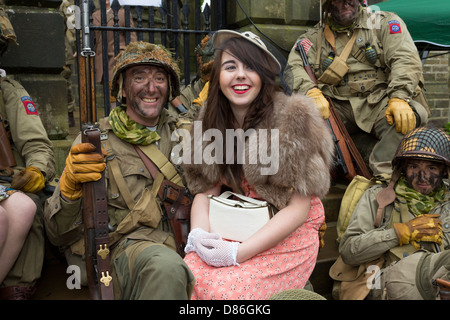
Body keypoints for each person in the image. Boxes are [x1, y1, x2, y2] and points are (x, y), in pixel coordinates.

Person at [182, 30, 334, 300]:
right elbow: (205, 191)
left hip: (287, 231)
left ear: (264, 76)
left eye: (250, 67)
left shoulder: (294, 119)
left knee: (225, 292)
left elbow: (298, 209)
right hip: (237, 222)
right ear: (218, 76)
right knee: (190, 277)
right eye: (231, 67)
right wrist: (197, 237)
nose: (240, 75)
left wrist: (236, 254)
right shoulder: (209, 119)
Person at [44, 41, 195, 299]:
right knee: (166, 267)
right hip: (129, 252)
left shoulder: (189, 134)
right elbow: (58, 234)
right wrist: (70, 190)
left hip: (188, 244)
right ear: (122, 90)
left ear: (169, 89)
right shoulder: (93, 143)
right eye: (139, 77)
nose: (151, 87)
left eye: (160, 78)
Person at [284, 0, 429, 176]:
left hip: (378, 102)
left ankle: (384, 177)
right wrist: (310, 91)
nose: (346, 3)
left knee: (410, 115)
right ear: (328, 4)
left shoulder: (385, 23)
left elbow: (405, 59)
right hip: (336, 108)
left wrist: (399, 97)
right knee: (297, 121)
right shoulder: (313, 37)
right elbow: (293, 68)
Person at [331, 127, 450, 300]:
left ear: (444, 171)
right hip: (385, 281)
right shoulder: (378, 196)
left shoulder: (447, 199)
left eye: (432, 168)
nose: (423, 177)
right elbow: (349, 252)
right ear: (402, 168)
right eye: (414, 167)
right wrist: (399, 232)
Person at [0, 8, 56, 300]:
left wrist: (36, 170)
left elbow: (37, 144)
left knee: (24, 208)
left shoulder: (7, 91)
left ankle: (13, 288)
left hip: (2, 181)